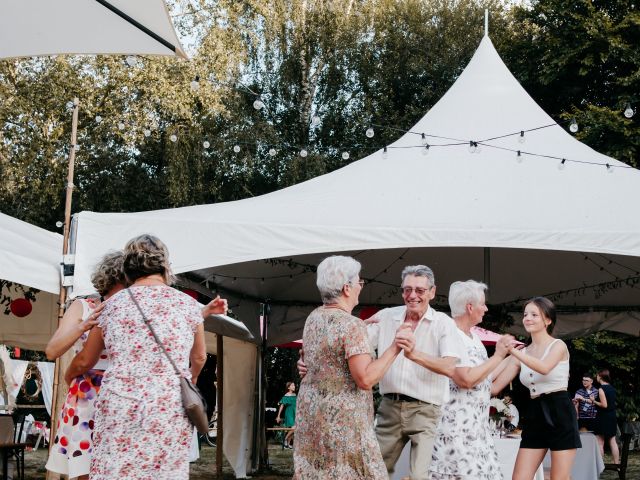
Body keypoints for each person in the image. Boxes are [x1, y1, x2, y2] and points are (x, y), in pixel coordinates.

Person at [65, 234, 228, 480]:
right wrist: (189, 379)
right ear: (165, 266)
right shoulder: (187, 305)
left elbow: (89, 356)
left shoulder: (110, 306)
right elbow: (200, 357)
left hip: (120, 403)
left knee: (116, 470)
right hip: (168, 404)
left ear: (128, 268)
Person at [298, 264, 463, 480]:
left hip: (426, 410)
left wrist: (415, 355)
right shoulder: (386, 316)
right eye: (407, 289)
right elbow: (342, 348)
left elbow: (450, 367)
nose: (412, 295)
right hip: (389, 408)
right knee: (374, 472)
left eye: (420, 290)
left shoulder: (444, 323)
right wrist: (308, 364)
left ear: (432, 291)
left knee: (419, 476)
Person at [293, 255, 414, 479]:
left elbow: (321, 358)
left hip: (312, 416)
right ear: (347, 288)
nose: (361, 286)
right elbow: (365, 379)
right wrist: (395, 347)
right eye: (359, 282)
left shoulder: (314, 318)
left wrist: (360, 332)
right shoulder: (351, 326)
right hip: (344, 423)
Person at [45, 251, 126, 480]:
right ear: (111, 281)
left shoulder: (134, 309)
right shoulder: (83, 306)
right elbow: (52, 350)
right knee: (84, 468)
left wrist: (71, 374)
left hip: (121, 393)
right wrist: (83, 326)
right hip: (86, 396)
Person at [429, 280, 512, 480]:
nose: (485, 308)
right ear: (470, 307)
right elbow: (465, 379)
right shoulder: (450, 334)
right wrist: (499, 356)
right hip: (455, 432)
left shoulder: (474, 337)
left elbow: (485, 379)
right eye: (482, 303)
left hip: (478, 431)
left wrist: (511, 357)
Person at [492, 297, 581, 480]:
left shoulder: (558, 345)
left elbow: (544, 367)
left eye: (534, 315)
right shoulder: (522, 352)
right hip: (535, 414)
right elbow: (494, 387)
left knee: (559, 478)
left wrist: (514, 351)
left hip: (560, 411)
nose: (528, 318)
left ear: (548, 320)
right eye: (525, 315)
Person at [594, 369, 619, 464]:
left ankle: (601, 466)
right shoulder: (612, 388)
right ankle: (616, 464)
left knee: (600, 442)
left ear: (600, 377)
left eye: (597, 376)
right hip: (612, 416)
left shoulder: (601, 389)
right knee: (612, 441)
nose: (596, 377)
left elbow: (604, 405)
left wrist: (594, 401)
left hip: (603, 417)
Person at [276, 381, 297, 448]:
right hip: (289, 413)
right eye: (292, 385)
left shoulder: (295, 395)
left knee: (292, 429)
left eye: (294, 385)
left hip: (295, 412)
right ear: (288, 387)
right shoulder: (286, 396)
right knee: (294, 428)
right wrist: (278, 416)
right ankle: (285, 439)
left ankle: (288, 444)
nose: (294, 387)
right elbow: (281, 406)